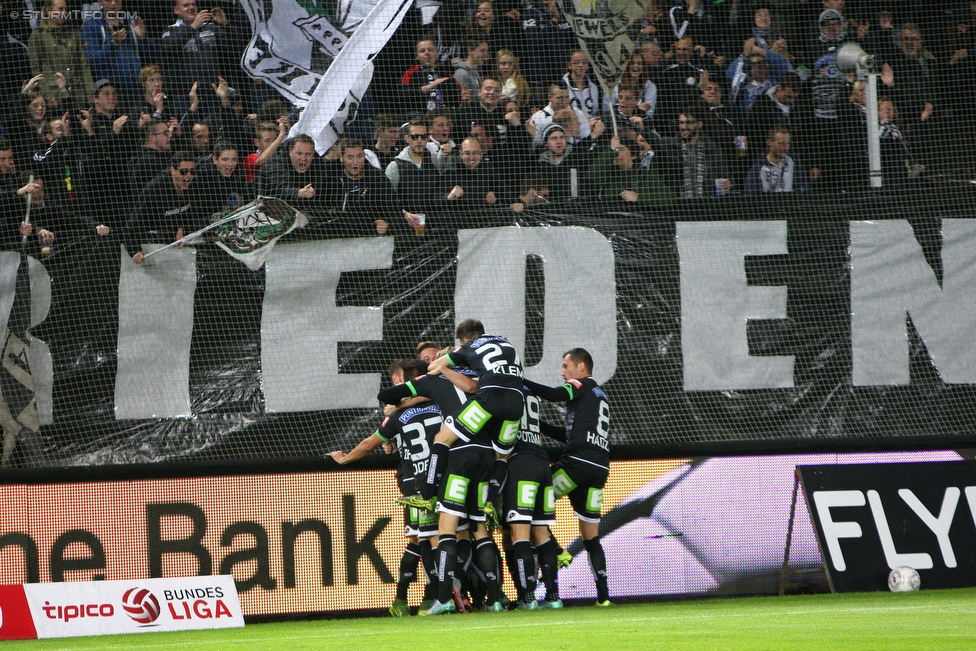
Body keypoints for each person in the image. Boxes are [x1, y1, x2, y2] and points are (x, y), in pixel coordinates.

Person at [329, 359, 442, 617]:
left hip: (415, 481)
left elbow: (370, 443)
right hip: (443, 478)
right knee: (445, 537)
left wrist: (345, 458)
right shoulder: (444, 405)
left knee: (422, 538)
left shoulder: (396, 413)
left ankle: (426, 598)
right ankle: (441, 597)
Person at [397, 318, 524, 510]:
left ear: (464, 339)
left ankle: (426, 494)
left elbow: (435, 367)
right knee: (502, 458)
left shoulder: (469, 347)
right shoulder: (506, 343)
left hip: (489, 400)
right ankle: (492, 503)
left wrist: (448, 365)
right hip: (516, 403)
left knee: (441, 438)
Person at [522, 348, 612, 607]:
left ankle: (558, 551)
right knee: (591, 536)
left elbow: (552, 394)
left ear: (581, 367)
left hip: (576, 465)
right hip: (598, 469)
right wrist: (536, 424)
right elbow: (569, 435)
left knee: (529, 503)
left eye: (566, 366)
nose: (562, 373)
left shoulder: (579, 385)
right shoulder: (599, 395)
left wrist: (519, 382)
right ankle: (604, 598)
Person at [123, 151, 202, 264]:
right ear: (172, 170)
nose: (188, 176)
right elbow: (131, 226)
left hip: (177, 245)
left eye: (192, 172)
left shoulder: (195, 185)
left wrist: (182, 228)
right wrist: (134, 251)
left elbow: (195, 214)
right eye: (183, 172)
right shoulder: (154, 191)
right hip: (151, 245)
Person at [81, 0, 151, 106]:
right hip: (111, 94)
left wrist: (143, 39)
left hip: (137, 90)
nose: (113, 3)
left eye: (117, 0)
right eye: (109, 0)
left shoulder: (132, 23)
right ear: (100, 2)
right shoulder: (92, 26)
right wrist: (113, 44)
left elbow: (150, 58)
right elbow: (91, 62)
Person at [321, 138, 396, 236]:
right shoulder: (328, 177)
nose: (355, 162)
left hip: (368, 239)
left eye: (359, 156)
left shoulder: (379, 180)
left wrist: (387, 223)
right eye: (350, 157)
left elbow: (394, 211)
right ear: (341, 158)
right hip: (331, 238)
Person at [160, 0, 233, 100]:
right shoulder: (170, 30)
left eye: (193, 4)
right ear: (176, 10)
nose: (191, 7)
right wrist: (193, 27)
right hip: (184, 94)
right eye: (186, 5)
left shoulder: (211, 27)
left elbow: (232, 48)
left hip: (213, 92)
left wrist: (225, 25)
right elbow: (169, 47)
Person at [28, 0, 94, 107]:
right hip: (54, 96)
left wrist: (90, 94)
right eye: (60, 9)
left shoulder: (73, 34)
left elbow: (84, 66)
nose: (64, 13)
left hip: (77, 95)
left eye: (66, 10)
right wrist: (48, 95)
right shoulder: (37, 36)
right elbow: (36, 69)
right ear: (48, 10)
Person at [385, 118, 444, 234]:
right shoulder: (395, 166)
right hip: (406, 231)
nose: (419, 140)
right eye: (414, 137)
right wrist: (404, 214)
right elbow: (386, 199)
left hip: (436, 228)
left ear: (428, 138)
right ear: (407, 138)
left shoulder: (436, 160)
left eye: (423, 136)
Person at [656, 108, 732, 197]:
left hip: (707, 203)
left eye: (689, 123)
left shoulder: (713, 149)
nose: (684, 127)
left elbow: (725, 176)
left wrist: (728, 183)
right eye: (681, 123)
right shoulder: (667, 146)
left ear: (699, 124)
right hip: (677, 203)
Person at [586, 136, 676, 208]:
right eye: (615, 150)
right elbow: (591, 176)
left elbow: (669, 198)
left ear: (633, 155)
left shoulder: (644, 175)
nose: (616, 153)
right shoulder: (607, 174)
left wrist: (638, 197)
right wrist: (610, 150)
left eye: (620, 150)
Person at [257, 134, 325, 214]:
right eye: (299, 153)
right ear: (290, 151)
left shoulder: (318, 165)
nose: (303, 158)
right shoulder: (276, 164)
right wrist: (299, 193)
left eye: (308, 154)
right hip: (270, 211)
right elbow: (279, 190)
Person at [400, 37, 468, 116]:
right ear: (417, 56)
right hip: (419, 118)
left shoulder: (446, 75)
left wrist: (463, 99)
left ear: (437, 52)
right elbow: (402, 94)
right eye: (422, 51)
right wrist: (430, 86)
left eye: (430, 50)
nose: (427, 53)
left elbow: (457, 100)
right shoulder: (410, 73)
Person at [192, 142, 253, 217]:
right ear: (215, 160)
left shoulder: (239, 171)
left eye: (234, 159)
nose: (230, 164)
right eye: (225, 159)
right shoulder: (203, 175)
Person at [744, 127, 810, 193]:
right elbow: (750, 192)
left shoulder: (794, 161)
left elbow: (803, 187)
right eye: (780, 143)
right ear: (769, 142)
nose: (785, 147)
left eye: (788, 143)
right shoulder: (758, 167)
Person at [129, 119, 174, 195]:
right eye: (165, 133)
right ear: (152, 138)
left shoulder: (142, 156)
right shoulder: (149, 161)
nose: (170, 135)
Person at [563, 50, 602, 120]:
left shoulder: (594, 88)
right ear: (569, 65)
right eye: (576, 62)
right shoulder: (562, 87)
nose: (581, 65)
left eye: (584, 62)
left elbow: (596, 112)